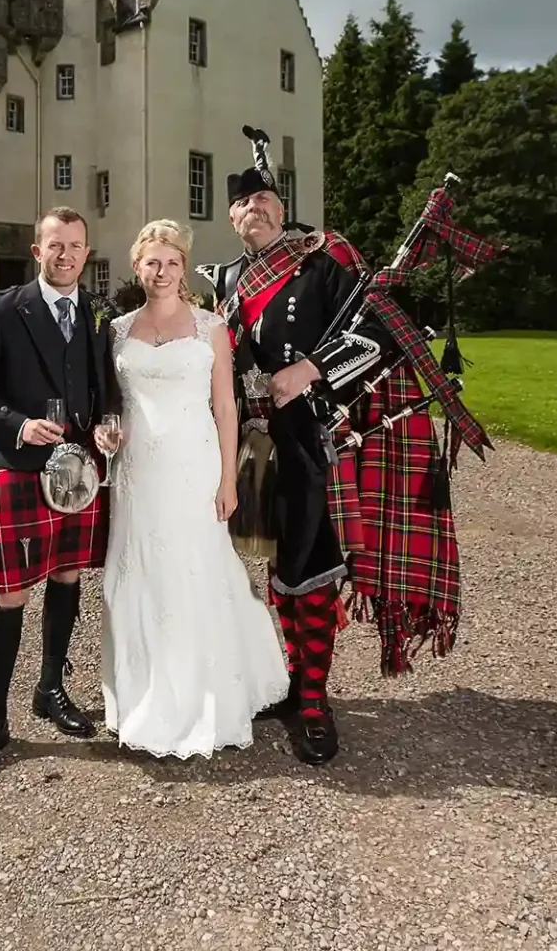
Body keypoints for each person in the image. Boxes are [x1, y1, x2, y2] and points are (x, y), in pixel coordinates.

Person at [198, 135, 379, 766]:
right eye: (247, 203)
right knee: (272, 563)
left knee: (307, 563)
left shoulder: (322, 265)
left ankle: (313, 701)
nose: (258, 209)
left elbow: (376, 334)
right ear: (232, 218)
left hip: (307, 439)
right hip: (247, 443)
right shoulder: (222, 280)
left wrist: (311, 369)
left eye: (267, 200)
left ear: (283, 209)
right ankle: (290, 683)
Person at [93, 220, 290, 759]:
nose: (162, 271)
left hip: (193, 468)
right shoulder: (115, 330)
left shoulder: (211, 328)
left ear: (184, 267)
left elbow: (227, 408)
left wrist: (229, 479)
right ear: (138, 266)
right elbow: (108, 401)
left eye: (172, 262)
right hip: (136, 475)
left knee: (196, 571)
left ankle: (209, 693)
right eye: (152, 262)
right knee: (138, 574)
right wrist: (105, 430)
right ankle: (140, 693)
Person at [0, 207, 112, 779]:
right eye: (55, 245)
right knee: (10, 592)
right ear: (37, 251)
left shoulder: (96, 313)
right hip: (24, 469)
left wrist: (105, 421)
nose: (65, 254)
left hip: (79, 471)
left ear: (86, 254)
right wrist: (17, 424)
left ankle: (51, 688)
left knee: (68, 577)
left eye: (75, 246)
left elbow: (103, 387)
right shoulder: (3, 309)